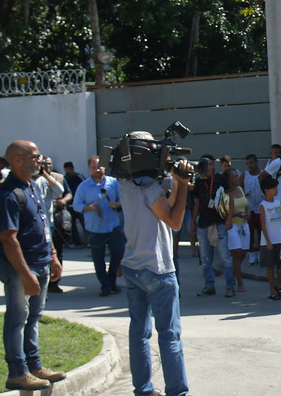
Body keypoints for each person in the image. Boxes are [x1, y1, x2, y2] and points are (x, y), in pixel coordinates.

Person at [116, 132, 191, 396]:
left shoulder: (126, 185)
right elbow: (175, 220)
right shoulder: (149, 189)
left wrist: (176, 181)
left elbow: (163, 205)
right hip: (158, 271)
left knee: (138, 333)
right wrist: (183, 185)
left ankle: (143, 391)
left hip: (133, 268)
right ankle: (177, 391)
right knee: (169, 336)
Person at [0, 140, 66, 391]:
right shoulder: (8, 194)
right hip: (20, 268)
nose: (40, 160)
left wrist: (53, 255)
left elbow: (43, 225)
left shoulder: (33, 186)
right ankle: (17, 372)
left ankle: (34, 366)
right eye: (35, 157)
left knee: (33, 317)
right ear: (17, 159)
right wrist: (25, 274)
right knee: (17, 319)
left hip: (41, 262)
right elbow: (8, 238)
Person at [72, 154, 125, 296]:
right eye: (93, 167)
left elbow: (124, 200)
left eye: (99, 166)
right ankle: (106, 285)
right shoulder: (83, 186)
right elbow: (76, 205)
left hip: (113, 226)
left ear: (104, 167)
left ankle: (112, 279)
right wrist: (89, 207)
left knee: (118, 253)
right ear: (89, 169)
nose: (97, 170)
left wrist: (117, 204)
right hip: (95, 228)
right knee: (98, 259)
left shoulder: (113, 183)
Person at [192, 157, 234, 297]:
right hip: (203, 224)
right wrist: (193, 221)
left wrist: (229, 218)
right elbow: (197, 203)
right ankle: (209, 285)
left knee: (225, 257)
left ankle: (230, 286)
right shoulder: (198, 182)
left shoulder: (220, 179)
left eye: (211, 164)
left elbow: (230, 198)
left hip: (219, 223)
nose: (210, 166)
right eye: (207, 164)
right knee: (205, 258)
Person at [33, 157, 69, 294]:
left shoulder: (46, 180)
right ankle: (41, 285)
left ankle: (53, 283)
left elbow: (60, 190)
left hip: (49, 224)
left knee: (55, 254)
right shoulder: (28, 182)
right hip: (35, 226)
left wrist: (46, 175)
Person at [258, 174, 281, 300]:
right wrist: (268, 242)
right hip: (269, 241)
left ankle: (278, 281)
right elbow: (263, 225)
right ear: (266, 189)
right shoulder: (263, 205)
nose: (276, 190)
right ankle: (272, 289)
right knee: (270, 266)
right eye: (273, 188)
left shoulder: (278, 202)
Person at [224, 168, 249, 293]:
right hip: (232, 226)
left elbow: (246, 205)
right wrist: (235, 215)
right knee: (237, 254)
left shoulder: (240, 189)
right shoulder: (225, 193)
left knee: (243, 252)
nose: (236, 178)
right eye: (233, 176)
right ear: (228, 179)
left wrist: (247, 213)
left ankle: (234, 271)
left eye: (237, 176)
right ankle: (239, 282)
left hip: (244, 225)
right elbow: (224, 213)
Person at [243, 154, 264, 266]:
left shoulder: (262, 175)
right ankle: (251, 253)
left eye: (251, 163)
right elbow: (238, 189)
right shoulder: (244, 176)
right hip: (249, 209)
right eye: (247, 164)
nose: (250, 165)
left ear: (256, 162)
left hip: (261, 209)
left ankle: (260, 253)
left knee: (261, 232)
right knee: (250, 233)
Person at [63, 161, 85, 247]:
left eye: (70, 168)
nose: (69, 170)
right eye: (67, 169)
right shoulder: (65, 179)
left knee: (84, 222)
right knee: (72, 225)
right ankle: (76, 242)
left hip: (80, 204)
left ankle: (89, 241)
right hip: (70, 204)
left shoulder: (79, 177)